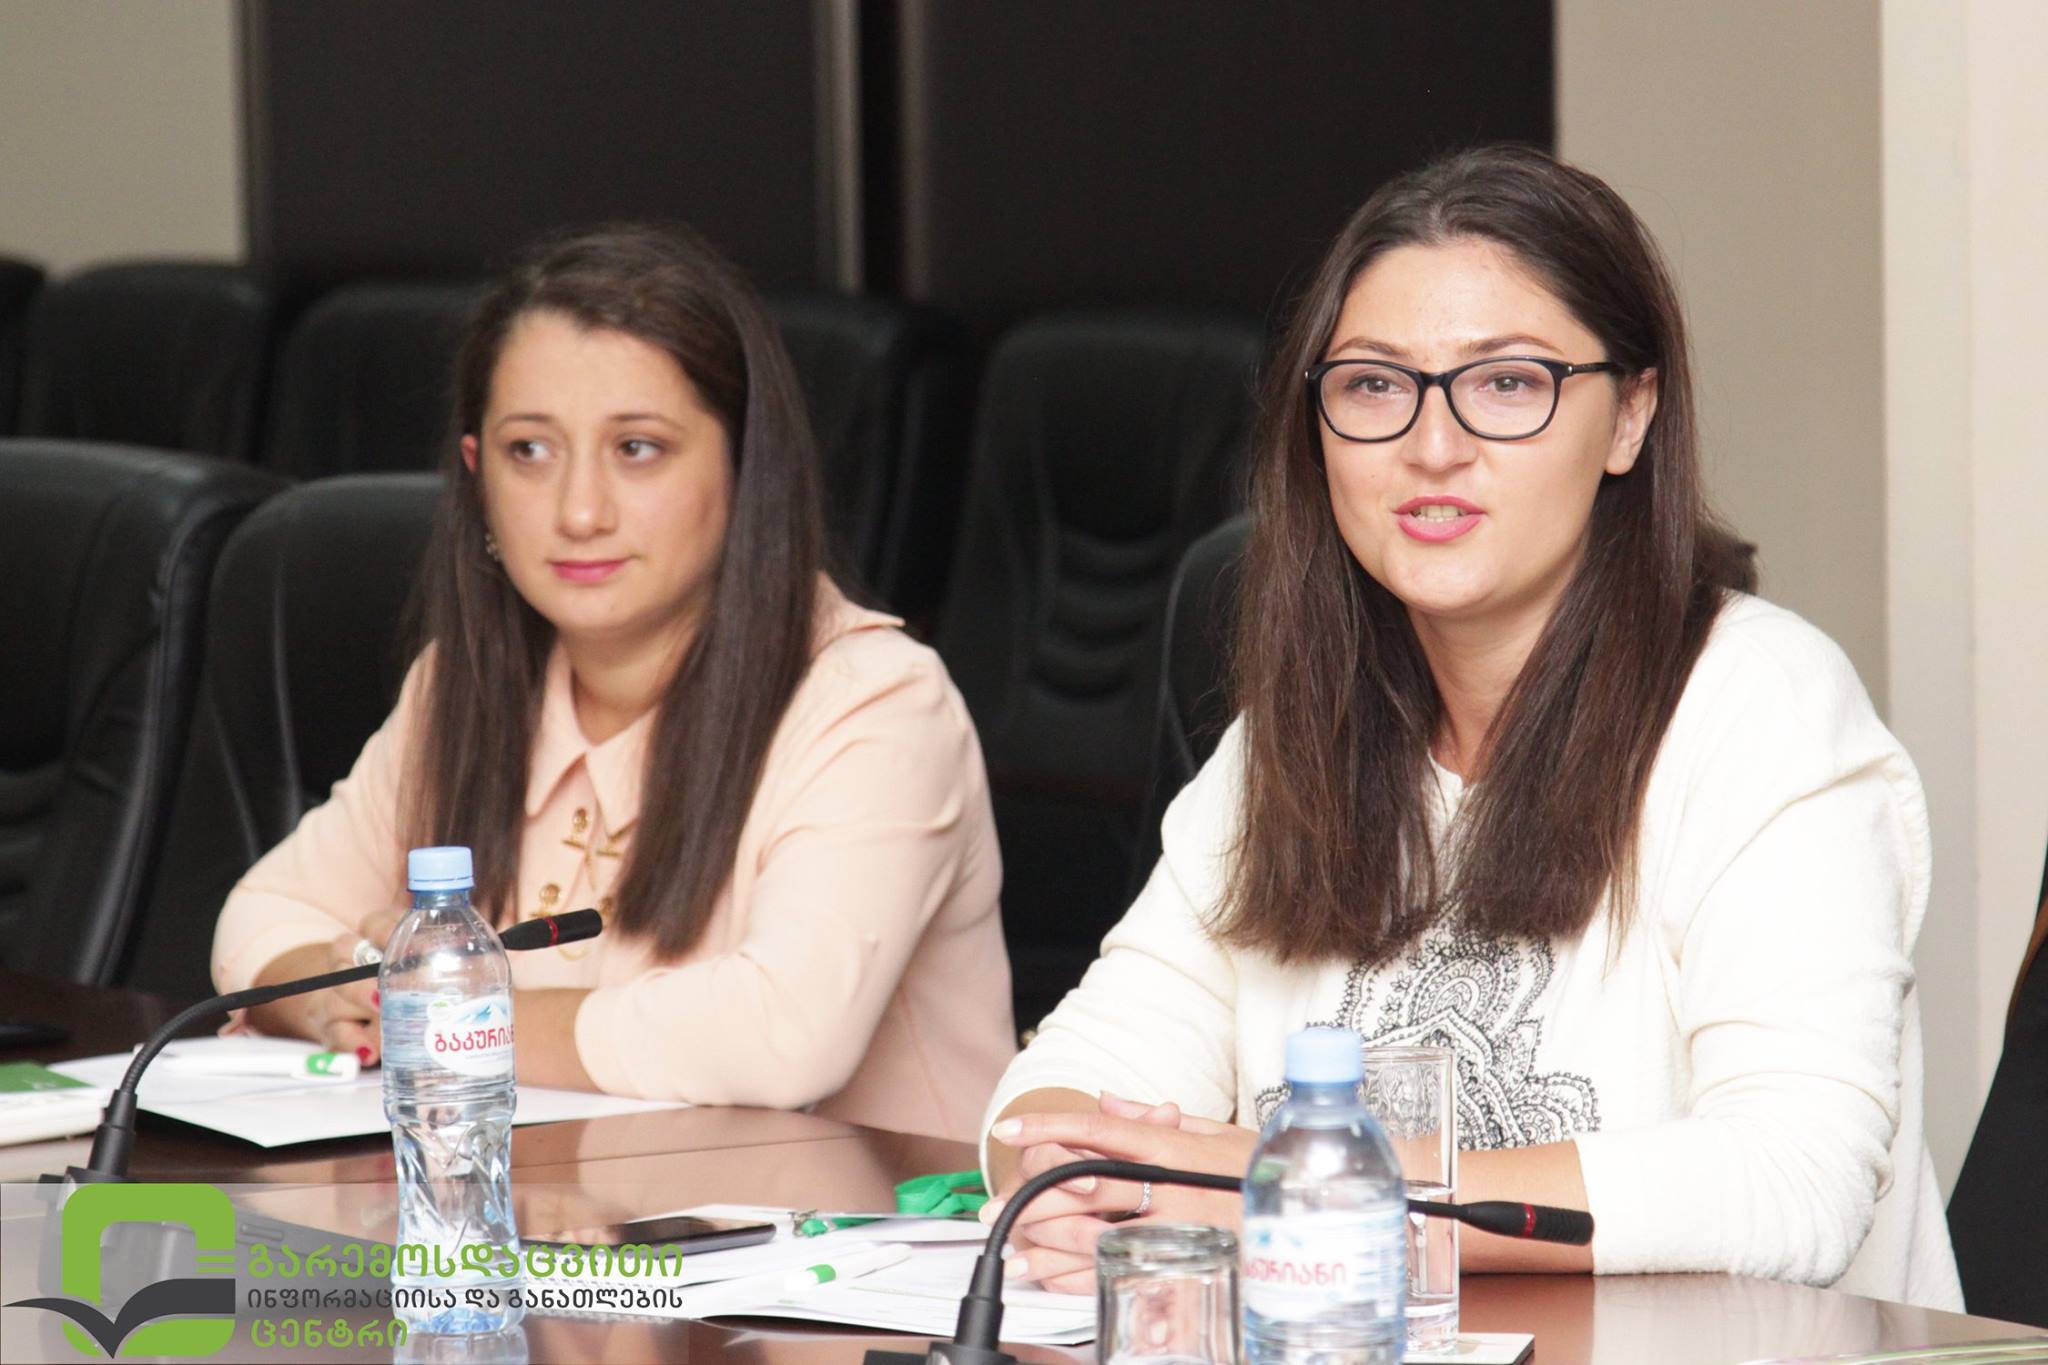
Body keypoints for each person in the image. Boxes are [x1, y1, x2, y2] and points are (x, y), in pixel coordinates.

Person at [981, 145, 1962, 1308]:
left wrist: (1289, 1190)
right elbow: (1057, 1092)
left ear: (1628, 417)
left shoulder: (1761, 707)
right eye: (1372, 386)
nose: (1430, 445)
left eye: (1504, 384)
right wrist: (1074, 1180)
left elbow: (1790, 1184)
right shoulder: (1299, 729)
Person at [211, 224, 1014, 1142]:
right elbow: (262, 914)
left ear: (745, 467)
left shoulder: (876, 702)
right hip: (574, 1212)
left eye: (637, 448)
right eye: (529, 450)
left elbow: (782, 1032)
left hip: (859, 1226)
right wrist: (333, 995)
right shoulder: (467, 686)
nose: (580, 511)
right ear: (476, 476)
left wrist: (441, 1011)